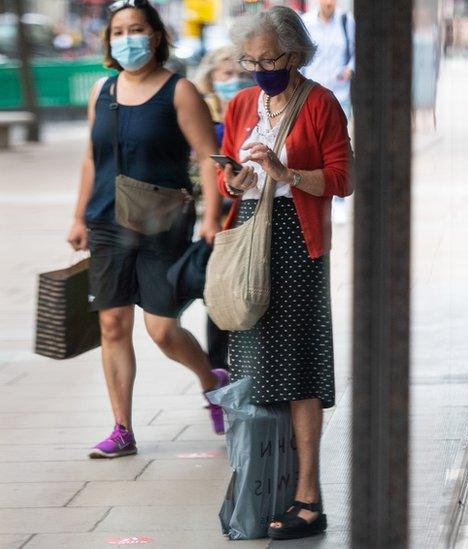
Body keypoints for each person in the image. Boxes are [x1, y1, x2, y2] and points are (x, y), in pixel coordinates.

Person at [65, 0, 228, 459]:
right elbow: (91, 158)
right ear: (109, 41)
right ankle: (122, 428)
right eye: (118, 31)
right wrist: (79, 216)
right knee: (113, 325)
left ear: (155, 36)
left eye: (136, 29)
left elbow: (207, 157)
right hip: (105, 222)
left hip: (162, 224)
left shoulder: (179, 91)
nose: (127, 38)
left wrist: (211, 219)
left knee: (161, 329)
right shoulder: (103, 90)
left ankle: (211, 379)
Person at [221, 6, 351, 539]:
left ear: (295, 54)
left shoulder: (319, 104)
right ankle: (261, 485)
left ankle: (308, 497)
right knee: (250, 365)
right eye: (248, 60)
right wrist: (232, 181)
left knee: (298, 367)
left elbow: (342, 179)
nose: (259, 68)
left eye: (268, 58)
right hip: (247, 237)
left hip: (298, 242)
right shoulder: (241, 104)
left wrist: (285, 172)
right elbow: (229, 171)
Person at [192, 46, 255, 372]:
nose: (235, 81)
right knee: (217, 291)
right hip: (218, 215)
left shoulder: (260, 110)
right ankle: (218, 366)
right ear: (212, 79)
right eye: (227, 75)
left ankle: (248, 361)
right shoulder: (203, 117)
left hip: (253, 211)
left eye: (243, 75)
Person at [301, 0, 354, 226]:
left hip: (339, 94)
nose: (328, 3)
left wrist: (349, 69)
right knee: (313, 147)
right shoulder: (305, 22)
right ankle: (318, 197)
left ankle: (338, 201)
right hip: (311, 95)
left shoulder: (346, 20)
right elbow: (299, 57)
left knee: (337, 148)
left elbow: (357, 51)